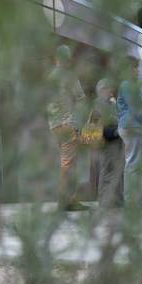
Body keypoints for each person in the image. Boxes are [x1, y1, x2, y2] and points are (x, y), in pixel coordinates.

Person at [46, 45, 89, 211]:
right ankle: (66, 201)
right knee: (69, 163)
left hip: (54, 126)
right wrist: (76, 123)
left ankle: (68, 200)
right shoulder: (69, 76)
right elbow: (81, 100)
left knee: (66, 162)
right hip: (67, 124)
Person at [117, 75, 142, 205]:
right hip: (132, 126)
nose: (136, 70)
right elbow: (136, 108)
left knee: (134, 164)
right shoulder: (127, 84)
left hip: (135, 126)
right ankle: (132, 200)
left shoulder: (129, 85)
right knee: (133, 164)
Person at [93, 79, 124, 208]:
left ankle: (116, 200)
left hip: (116, 139)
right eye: (108, 89)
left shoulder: (111, 103)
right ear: (101, 90)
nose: (111, 91)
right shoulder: (98, 103)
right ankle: (104, 201)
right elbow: (101, 122)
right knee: (106, 170)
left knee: (116, 170)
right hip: (107, 140)